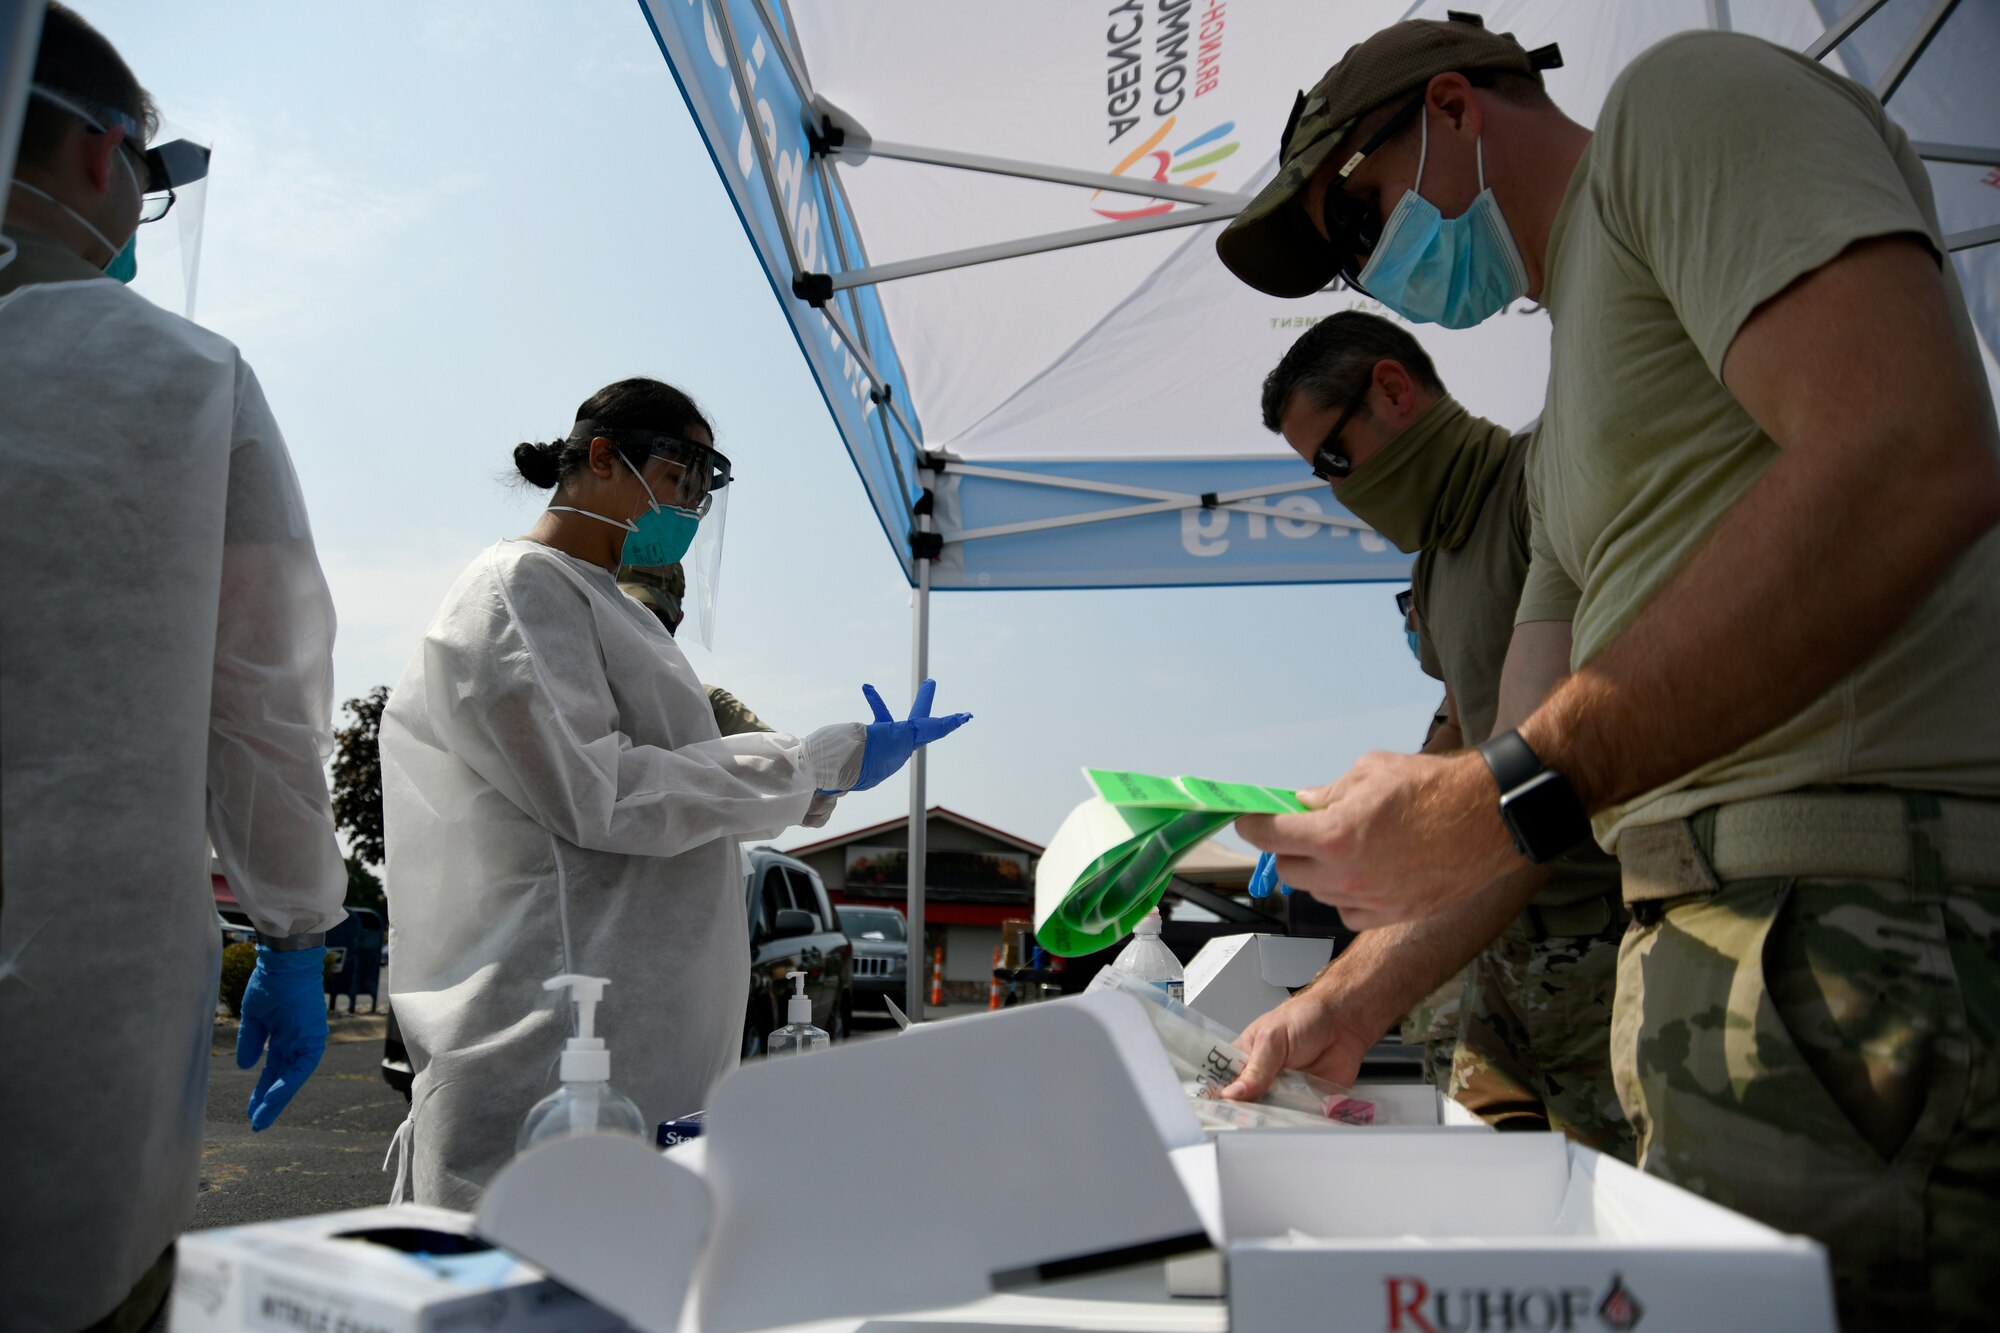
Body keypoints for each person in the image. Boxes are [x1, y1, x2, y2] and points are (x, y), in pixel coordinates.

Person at [1216, 12, 2000, 1325]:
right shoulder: (1574, 401)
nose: (1366, 266)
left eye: (1357, 214)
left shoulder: (1679, 106)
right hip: (1725, 967)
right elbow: (1520, 798)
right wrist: (1348, 999)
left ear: (1456, 110)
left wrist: (1491, 795)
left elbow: (1914, 443)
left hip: (1861, 937)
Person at [382, 378, 970, 1208]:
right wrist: (807, 765)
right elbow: (600, 791)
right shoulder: (518, 587)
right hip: (550, 1052)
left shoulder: (606, 610)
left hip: (633, 1052)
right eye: (677, 480)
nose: (687, 512)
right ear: (598, 457)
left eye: (701, 494)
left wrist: (813, 776)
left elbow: (683, 778)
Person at [0, 8, 347, 1329]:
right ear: (103, 157)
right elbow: (262, 695)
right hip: (64, 1051)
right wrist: (298, 928)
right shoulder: (176, 378)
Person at [1231, 313, 1630, 1158]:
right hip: (1495, 943)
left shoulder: (1542, 484)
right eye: (1317, 474)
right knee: (1496, 1205)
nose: (1336, 488)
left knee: (1620, 1217)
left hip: (1604, 939)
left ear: (1392, 390)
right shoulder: (1435, 564)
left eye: (1334, 458)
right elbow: (1460, 726)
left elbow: (1543, 761)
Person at [618, 561, 772, 736]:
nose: (641, 629)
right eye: (629, 613)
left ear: (677, 621)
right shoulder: (589, 691)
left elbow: (784, 758)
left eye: (655, 619)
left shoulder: (708, 707)